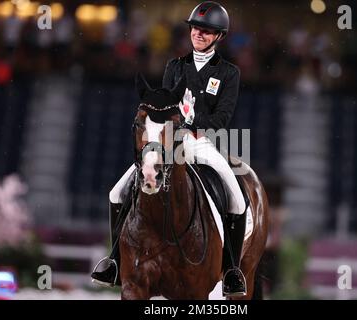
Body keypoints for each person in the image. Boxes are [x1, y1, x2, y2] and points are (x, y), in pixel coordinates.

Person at [91, 1, 247, 297]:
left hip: (203, 141)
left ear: (219, 36)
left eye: (207, 31)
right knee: (116, 192)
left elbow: (222, 118)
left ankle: (231, 270)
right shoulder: (175, 67)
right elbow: (162, 106)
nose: (198, 34)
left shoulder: (228, 73)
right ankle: (114, 260)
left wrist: (191, 120)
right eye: (196, 29)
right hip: (168, 141)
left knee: (236, 197)